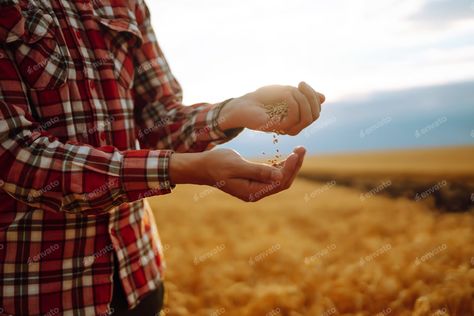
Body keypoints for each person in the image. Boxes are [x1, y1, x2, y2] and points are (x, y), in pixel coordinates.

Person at [0, 0, 325, 315]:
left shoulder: (125, 3)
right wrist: (184, 169)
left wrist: (229, 112)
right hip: (37, 294)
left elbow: (158, 117)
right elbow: (17, 156)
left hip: (138, 276)